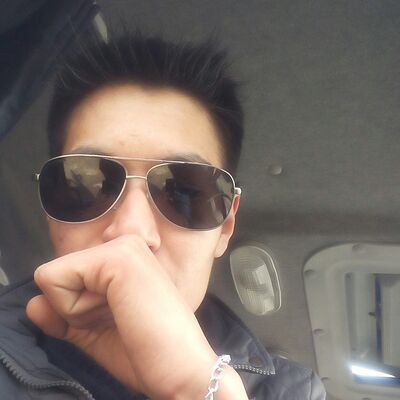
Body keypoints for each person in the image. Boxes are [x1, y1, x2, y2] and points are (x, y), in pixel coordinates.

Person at [0, 31, 326, 399]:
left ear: (225, 227)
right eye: (86, 186)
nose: (132, 232)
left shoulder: (291, 392)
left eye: (185, 192)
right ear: (50, 209)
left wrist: (199, 391)